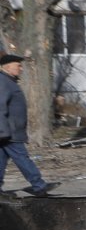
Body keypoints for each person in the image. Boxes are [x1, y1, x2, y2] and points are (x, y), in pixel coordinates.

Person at [0, 53, 54, 197]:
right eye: (18, 65)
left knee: (1, 161)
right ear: (8, 66)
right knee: (22, 158)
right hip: (8, 132)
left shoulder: (8, 81)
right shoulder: (3, 81)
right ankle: (39, 186)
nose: (21, 68)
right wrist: (2, 131)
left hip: (9, 131)